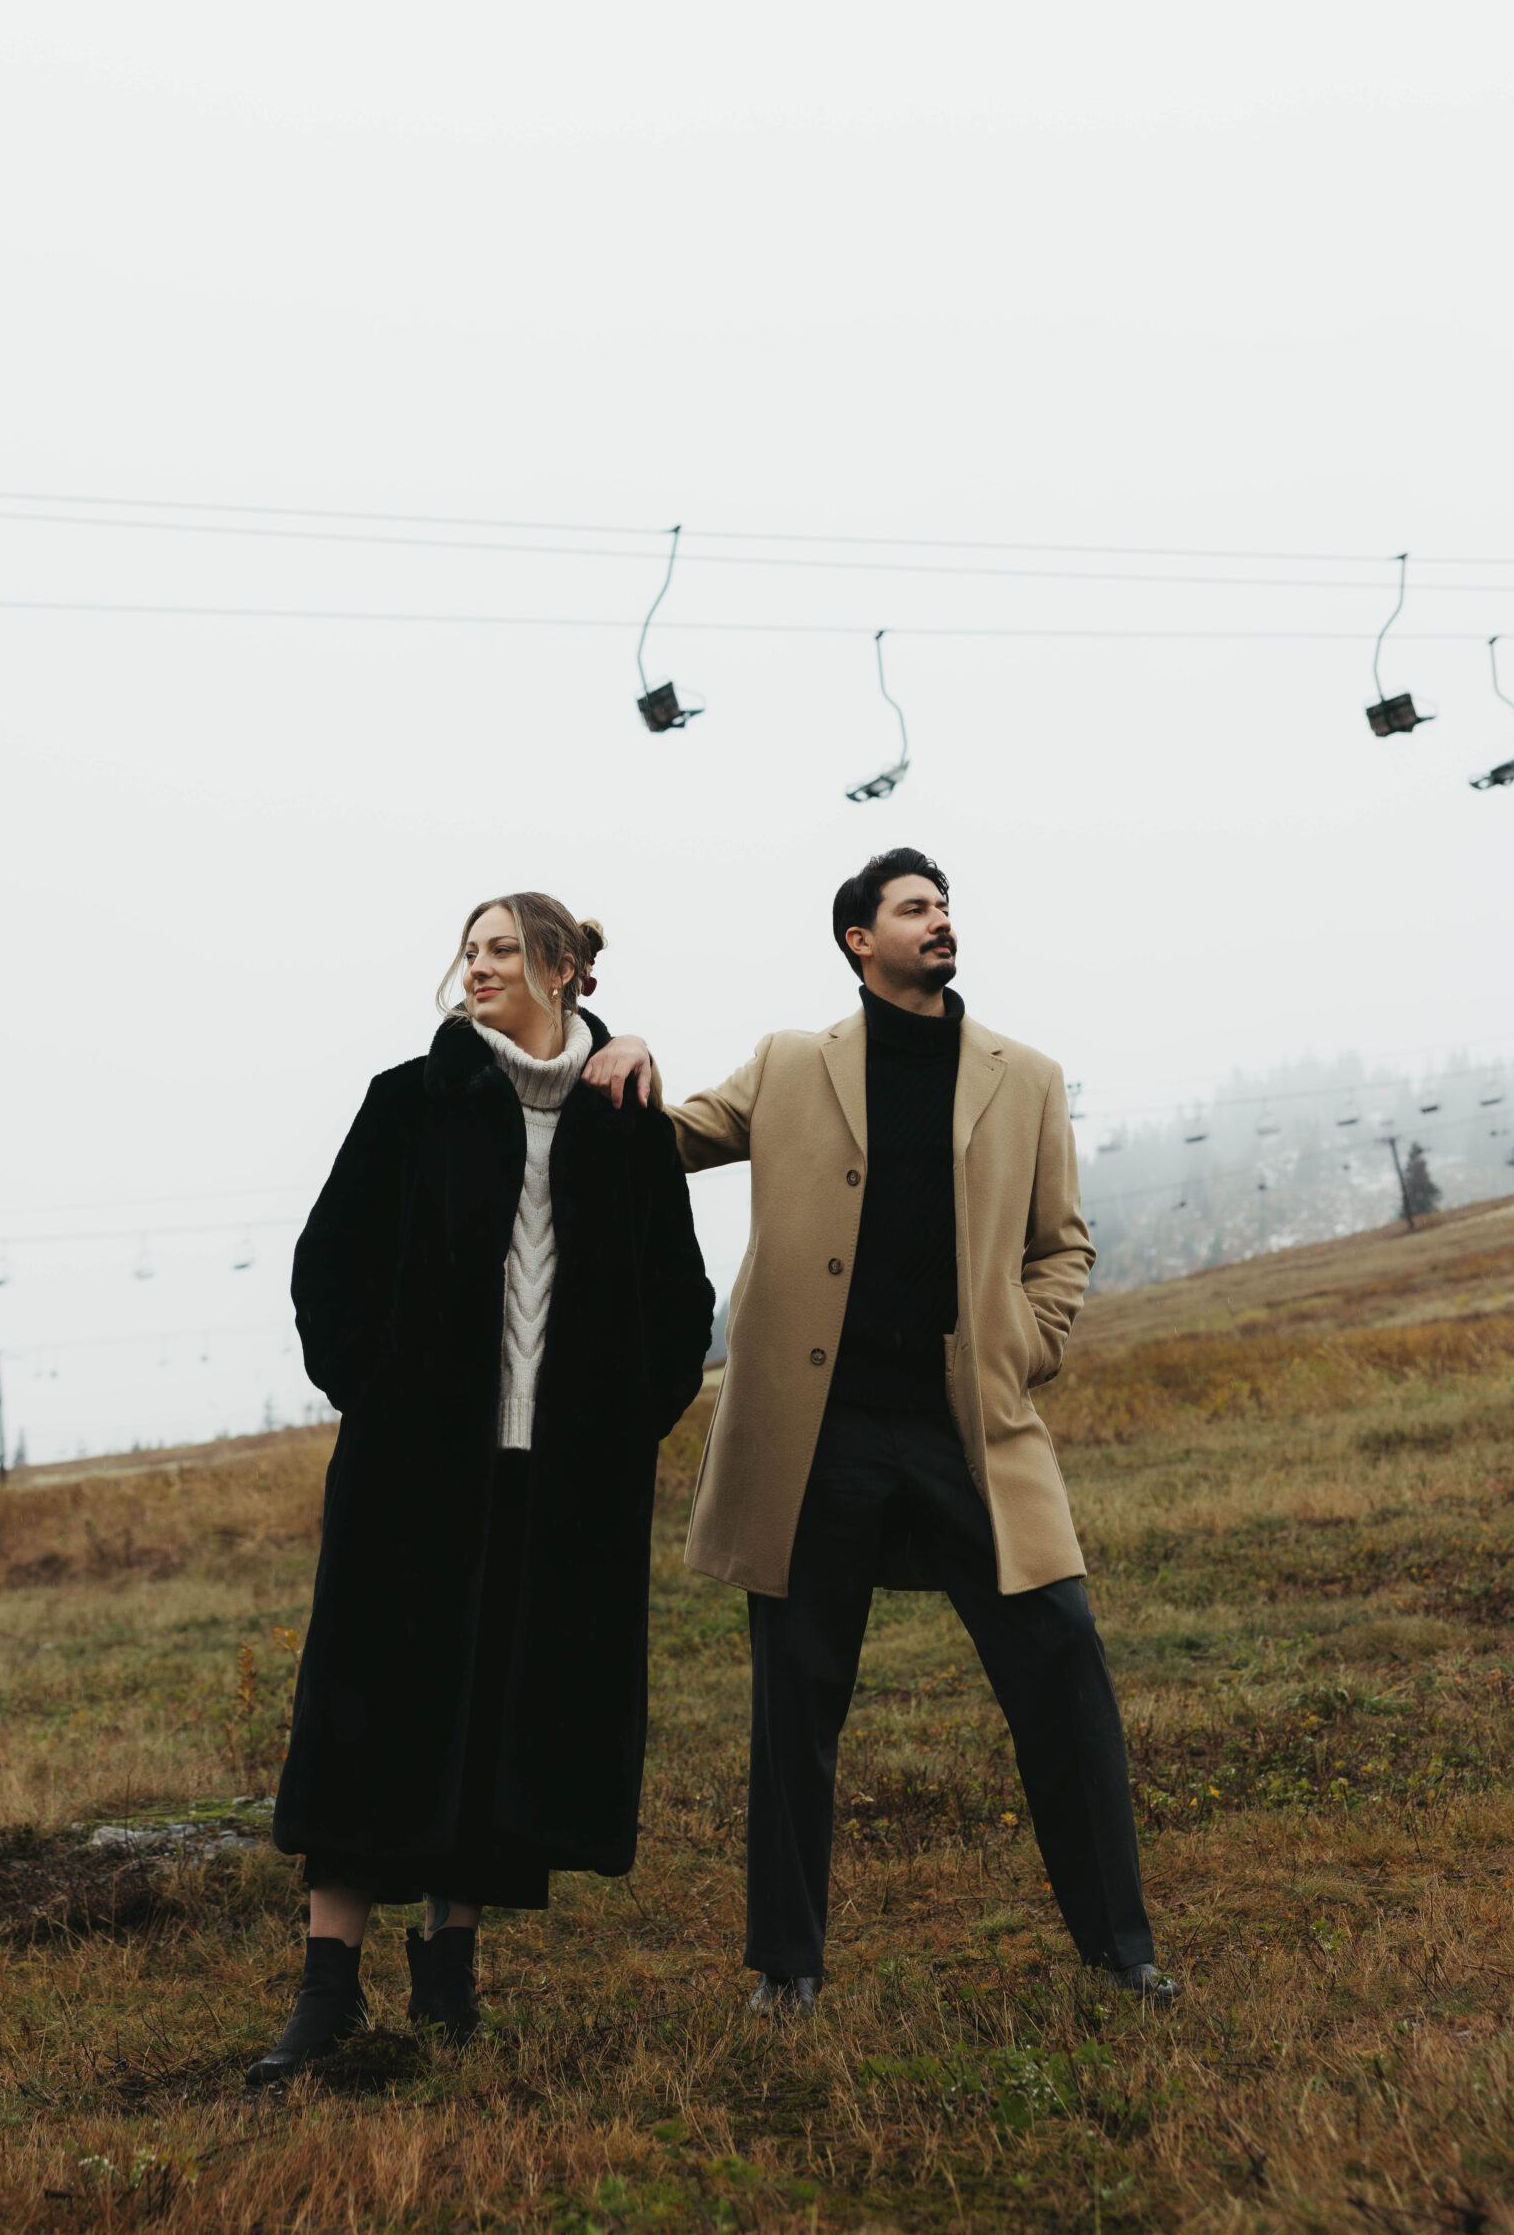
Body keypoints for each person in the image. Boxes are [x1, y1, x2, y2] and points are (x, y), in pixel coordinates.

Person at [586, 848, 1168, 2014]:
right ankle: (785, 1969)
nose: (939, 920)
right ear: (859, 937)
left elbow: (1062, 1244)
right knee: (795, 1704)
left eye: (944, 905)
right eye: (914, 908)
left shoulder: (1026, 1076)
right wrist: (624, 1047)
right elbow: (667, 1138)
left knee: (1063, 1671)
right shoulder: (793, 1064)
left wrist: (1023, 1342)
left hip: (971, 1428)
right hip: (816, 1437)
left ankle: (1121, 1948)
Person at [250, 895, 714, 2084]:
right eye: (469, 952)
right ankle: (325, 1993)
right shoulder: (409, 1099)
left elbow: (679, 1298)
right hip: (412, 1478)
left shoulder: (622, 1116)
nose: (479, 968)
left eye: (503, 949)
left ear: (562, 969)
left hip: (557, 1486)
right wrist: (382, 1392)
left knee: (500, 1711)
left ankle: (448, 1976)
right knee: (372, 1714)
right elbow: (327, 1266)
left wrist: (621, 1429)